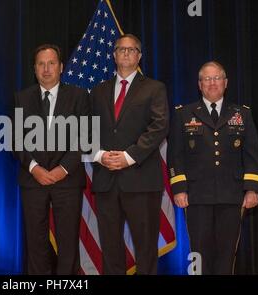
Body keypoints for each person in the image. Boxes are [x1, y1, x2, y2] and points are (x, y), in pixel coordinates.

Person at [167, 61, 258, 275]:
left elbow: (252, 154)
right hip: (196, 195)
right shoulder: (184, 114)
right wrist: (179, 188)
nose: (212, 83)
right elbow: (175, 155)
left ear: (225, 83)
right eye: (207, 79)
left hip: (231, 195)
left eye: (217, 78)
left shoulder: (242, 114)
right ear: (199, 84)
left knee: (227, 251)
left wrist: (252, 188)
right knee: (199, 252)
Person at [90, 34, 169, 274]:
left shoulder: (154, 88)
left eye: (131, 49)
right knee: (111, 249)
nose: (125, 53)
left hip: (141, 180)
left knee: (145, 250)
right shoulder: (97, 91)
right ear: (113, 55)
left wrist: (127, 157)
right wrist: (100, 155)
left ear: (139, 56)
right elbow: (87, 130)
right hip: (106, 181)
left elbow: (159, 127)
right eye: (120, 49)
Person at [13, 44, 90, 274]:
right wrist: (35, 168)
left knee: (68, 240)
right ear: (34, 69)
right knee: (35, 241)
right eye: (41, 64)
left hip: (67, 180)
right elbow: (17, 140)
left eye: (51, 63)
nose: (46, 69)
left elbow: (86, 137)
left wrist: (63, 169)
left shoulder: (79, 96)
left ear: (61, 67)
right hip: (32, 179)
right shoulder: (22, 97)